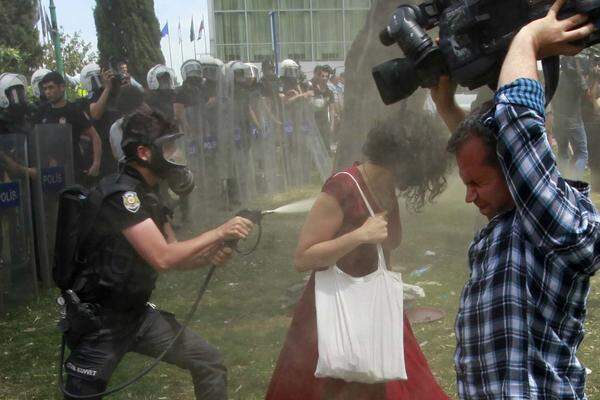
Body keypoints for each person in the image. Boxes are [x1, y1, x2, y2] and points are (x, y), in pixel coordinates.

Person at [431, 1, 600, 398]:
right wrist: (445, 104)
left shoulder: (563, 224)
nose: (469, 196)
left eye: (477, 183)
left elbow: (515, 127)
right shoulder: (509, 223)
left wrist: (529, 38)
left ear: (512, 164)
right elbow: (491, 154)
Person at [61, 110, 255, 399]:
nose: (174, 153)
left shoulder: (149, 195)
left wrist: (212, 253)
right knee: (83, 393)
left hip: (136, 314)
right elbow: (162, 257)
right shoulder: (119, 196)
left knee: (208, 361)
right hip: (100, 322)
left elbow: (175, 255)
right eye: (167, 147)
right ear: (144, 152)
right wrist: (217, 231)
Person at [266, 114, 451, 400]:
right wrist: (358, 236)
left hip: (377, 305)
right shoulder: (342, 186)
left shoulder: (385, 185)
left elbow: (391, 240)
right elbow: (303, 258)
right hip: (335, 311)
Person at [35, 72, 102, 185]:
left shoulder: (74, 110)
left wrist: (96, 164)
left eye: (51, 87)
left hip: (74, 170)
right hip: (50, 173)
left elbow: (95, 137)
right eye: (45, 88)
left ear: (62, 87)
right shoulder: (41, 112)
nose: (48, 92)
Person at [552, 56, 589, 178]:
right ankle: (574, 180)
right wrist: (579, 72)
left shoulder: (557, 77)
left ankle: (564, 178)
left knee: (562, 152)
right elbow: (585, 91)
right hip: (573, 121)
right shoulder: (575, 78)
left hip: (558, 120)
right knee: (582, 153)